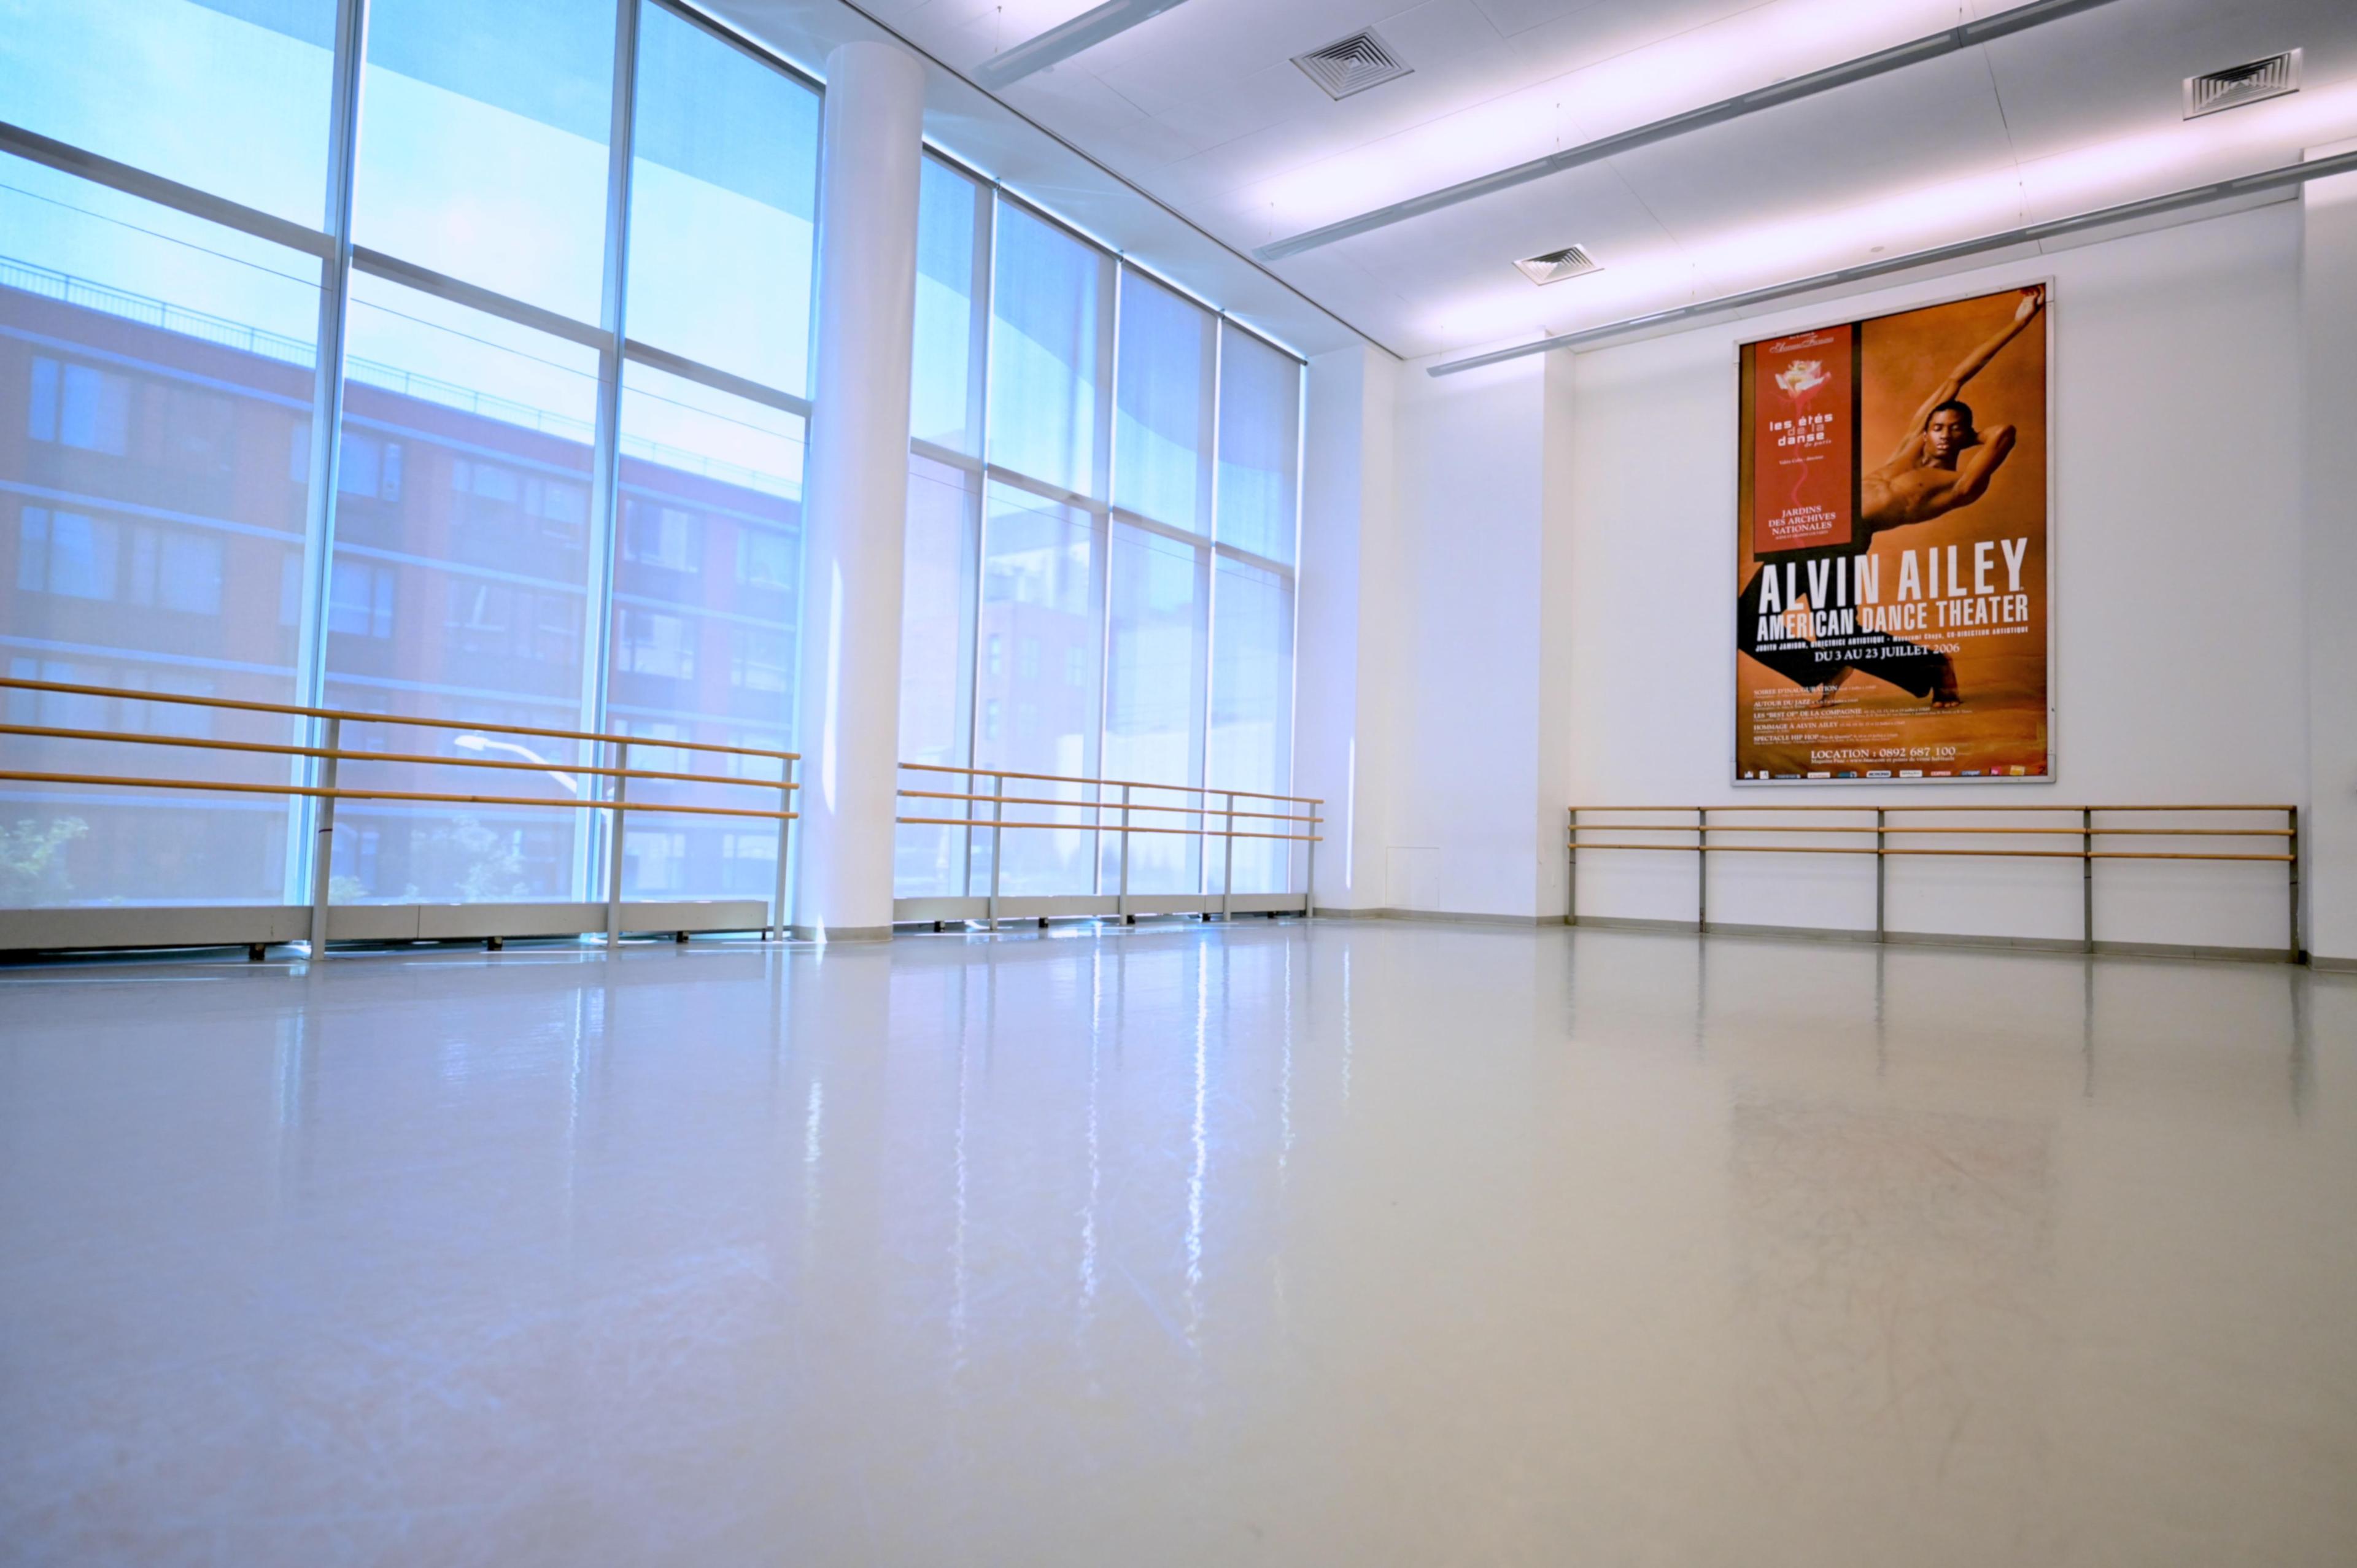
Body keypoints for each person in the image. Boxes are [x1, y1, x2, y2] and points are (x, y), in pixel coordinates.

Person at [1740, 285, 2045, 708]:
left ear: (1968, 435)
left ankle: (1934, 667)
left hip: (1846, 537)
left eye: (1954, 429)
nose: (1942, 434)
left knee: (1840, 633)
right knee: (1748, 625)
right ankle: (1825, 669)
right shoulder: (1910, 448)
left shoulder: (1958, 486)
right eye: (1937, 427)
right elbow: (1957, 377)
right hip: (1811, 523)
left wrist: (1970, 436)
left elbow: (2004, 433)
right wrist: (2017, 323)